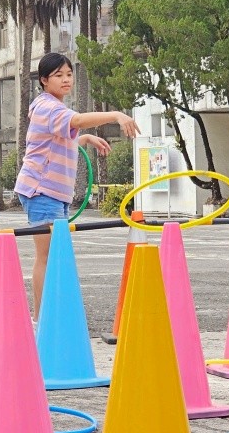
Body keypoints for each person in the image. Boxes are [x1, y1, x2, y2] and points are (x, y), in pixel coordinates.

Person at [14, 52, 141, 320]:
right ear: (44, 80)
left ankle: (51, 315)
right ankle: (42, 319)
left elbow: (58, 139)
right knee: (47, 257)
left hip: (53, 193)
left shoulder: (51, 107)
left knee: (55, 256)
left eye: (69, 74)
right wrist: (116, 115)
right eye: (58, 75)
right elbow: (78, 119)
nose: (65, 79)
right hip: (41, 191)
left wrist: (82, 140)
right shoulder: (49, 107)